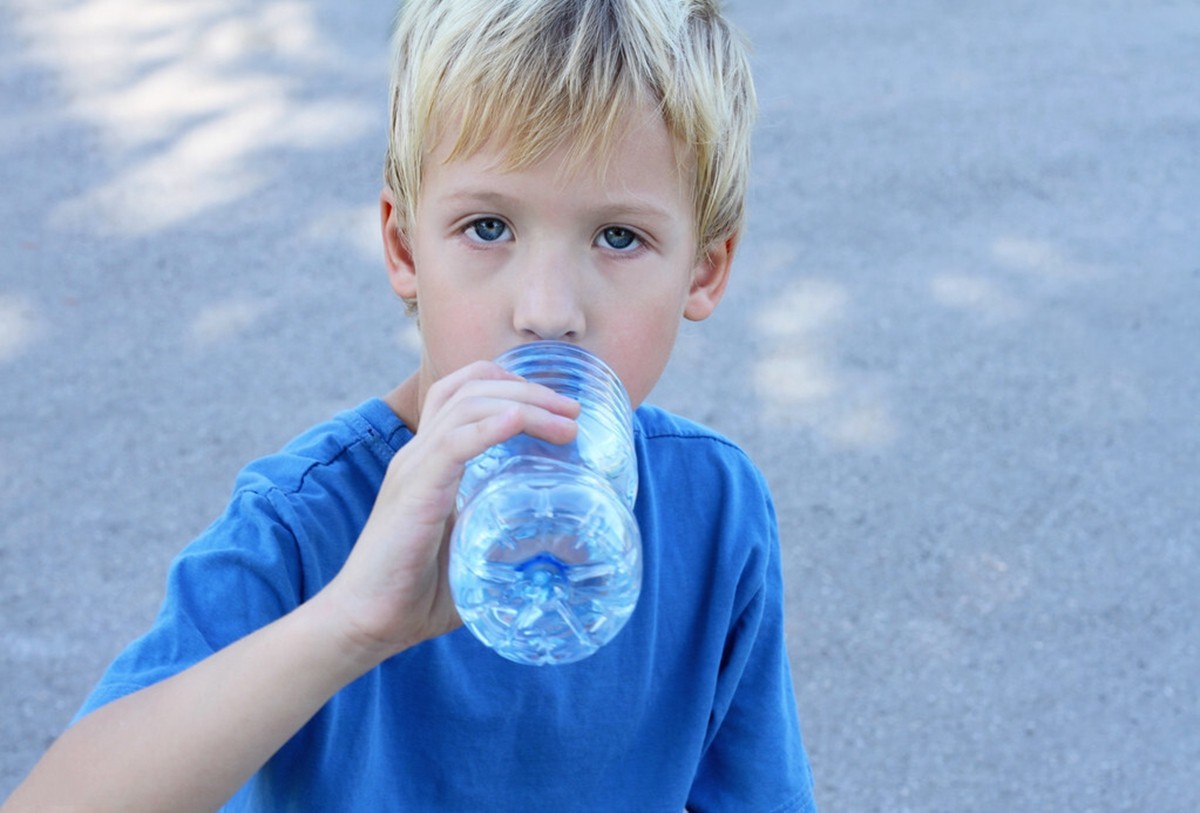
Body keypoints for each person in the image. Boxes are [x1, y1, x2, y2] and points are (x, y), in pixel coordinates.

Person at [4, 0, 817, 810]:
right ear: (403, 247)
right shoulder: (304, 525)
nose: (546, 309)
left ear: (705, 270)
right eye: (489, 225)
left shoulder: (714, 508)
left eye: (617, 238)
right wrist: (349, 623)